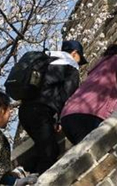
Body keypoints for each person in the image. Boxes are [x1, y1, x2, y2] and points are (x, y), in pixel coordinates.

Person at [17, 40, 86, 174]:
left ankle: (23, 170)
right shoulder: (71, 64)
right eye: (80, 59)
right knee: (50, 152)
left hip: (25, 111)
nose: (79, 63)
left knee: (42, 148)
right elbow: (68, 95)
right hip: (41, 111)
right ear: (75, 53)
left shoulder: (46, 59)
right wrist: (60, 120)